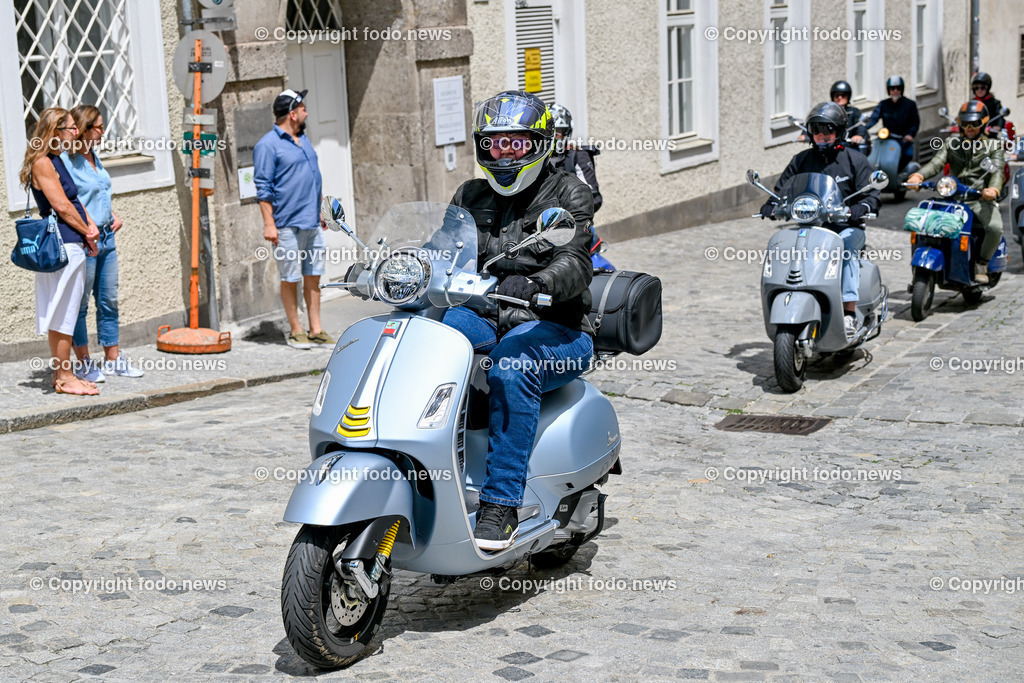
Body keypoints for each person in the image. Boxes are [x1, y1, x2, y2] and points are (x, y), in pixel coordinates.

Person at [445, 91, 596, 551]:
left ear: (539, 143)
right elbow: (445, 247)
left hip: (559, 327)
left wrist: (540, 283)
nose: (504, 153)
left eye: (515, 143)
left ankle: (500, 505)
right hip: (486, 315)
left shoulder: (570, 192)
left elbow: (577, 261)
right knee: (431, 337)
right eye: (495, 144)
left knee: (512, 366)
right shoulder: (471, 194)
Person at [760, 102, 881, 340]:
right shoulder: (801, 160)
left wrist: (862, 207)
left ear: (839, 131)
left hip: (846, 228)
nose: (822, 136)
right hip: (809, 226)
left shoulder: (854, 160)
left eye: (827, 130)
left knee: (846, 250)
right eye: (816, 131)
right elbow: (782, 189)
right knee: (783, 245)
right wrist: (772, 203)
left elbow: (872, 193)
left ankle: (848, 313)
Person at [19, 108, 100, 395]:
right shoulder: (43, 162)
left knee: (63, 310)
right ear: (54, 132)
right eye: (71, 129)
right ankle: (66, 377)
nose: (76, 132)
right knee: (65, 312)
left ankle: (62, 375)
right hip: (63, 245)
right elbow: (62, 207)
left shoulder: (56, 159)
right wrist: (87, 231)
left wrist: (89, 227)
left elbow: (73, 201)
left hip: (72, 240)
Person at [63, 105, 143, 382]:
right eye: (98, 126)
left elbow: (97, 194)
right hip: (85, 240)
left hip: (107, 238)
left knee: (108, 300)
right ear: (84, 129)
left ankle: (113, 359)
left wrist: (112, 215)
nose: (103, 131)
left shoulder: (94, 155)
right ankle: (84, 362)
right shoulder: (67, 161)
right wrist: (88, 228)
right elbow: (69, 202)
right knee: (81, 303)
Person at [254, 88, 335, 349]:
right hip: (286, 224)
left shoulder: (304, 139)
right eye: (303, 109)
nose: (306, 113)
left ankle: (316, 329)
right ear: (292, 114)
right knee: (291, 277)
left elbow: (314, 177)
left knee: (314, 275)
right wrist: (269, 224)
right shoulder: (267, 145)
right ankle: (296, 330)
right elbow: (263, 188)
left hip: (311, 221)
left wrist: (321, 210)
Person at [906, 101, 1004, 284]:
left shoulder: (994, 146)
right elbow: (937, 163)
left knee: (995, 228)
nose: (969, 128)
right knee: (927, 223)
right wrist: (919, 176)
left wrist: (993, 189)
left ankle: (981, 263)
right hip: (952, 196)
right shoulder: (952, 143)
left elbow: (997, 171)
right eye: (965, 123)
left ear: (983, 123)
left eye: (974, 123)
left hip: (979, 197)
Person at [863, 75, 919, 171]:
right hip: (887, 138)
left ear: (902, 89)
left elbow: (915, 122)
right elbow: (874, 118)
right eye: (892, 88)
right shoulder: (883, 104)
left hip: (902, 138)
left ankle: (899, 173)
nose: (895, 91)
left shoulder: (909, 104)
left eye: (898, 88)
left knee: (907, 155)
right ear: (889, 90)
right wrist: (864, 128)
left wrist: (910, 134)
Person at [829, 80, 869, 152]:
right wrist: (805, 134)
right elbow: (818, 120)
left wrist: (859, 135)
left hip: (850, 145)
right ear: (833, 97)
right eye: (837, 95)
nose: (839, 98)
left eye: (843, 95)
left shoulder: (854, 112)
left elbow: (860, 125)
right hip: (831, 145)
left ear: (848, 96)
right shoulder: (829, 112)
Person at [969, 72, 1004, 137]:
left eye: (982, 88)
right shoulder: (971, 103)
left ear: (987, 88)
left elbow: (1000, 117)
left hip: (990, 134)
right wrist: (954, 125)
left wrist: (997, 127)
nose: (979, 90)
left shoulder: (995, 103)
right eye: (976, 88)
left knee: (999, 139)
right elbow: (963, 114)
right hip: (973, 134)